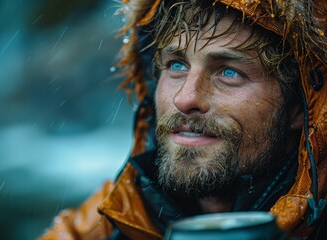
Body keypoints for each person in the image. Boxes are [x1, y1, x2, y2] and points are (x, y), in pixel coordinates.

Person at [40, 0, 327, 239]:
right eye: (176, 65)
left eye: (229, 72)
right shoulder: (112, 218)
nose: (185, 98)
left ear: (299, 107)